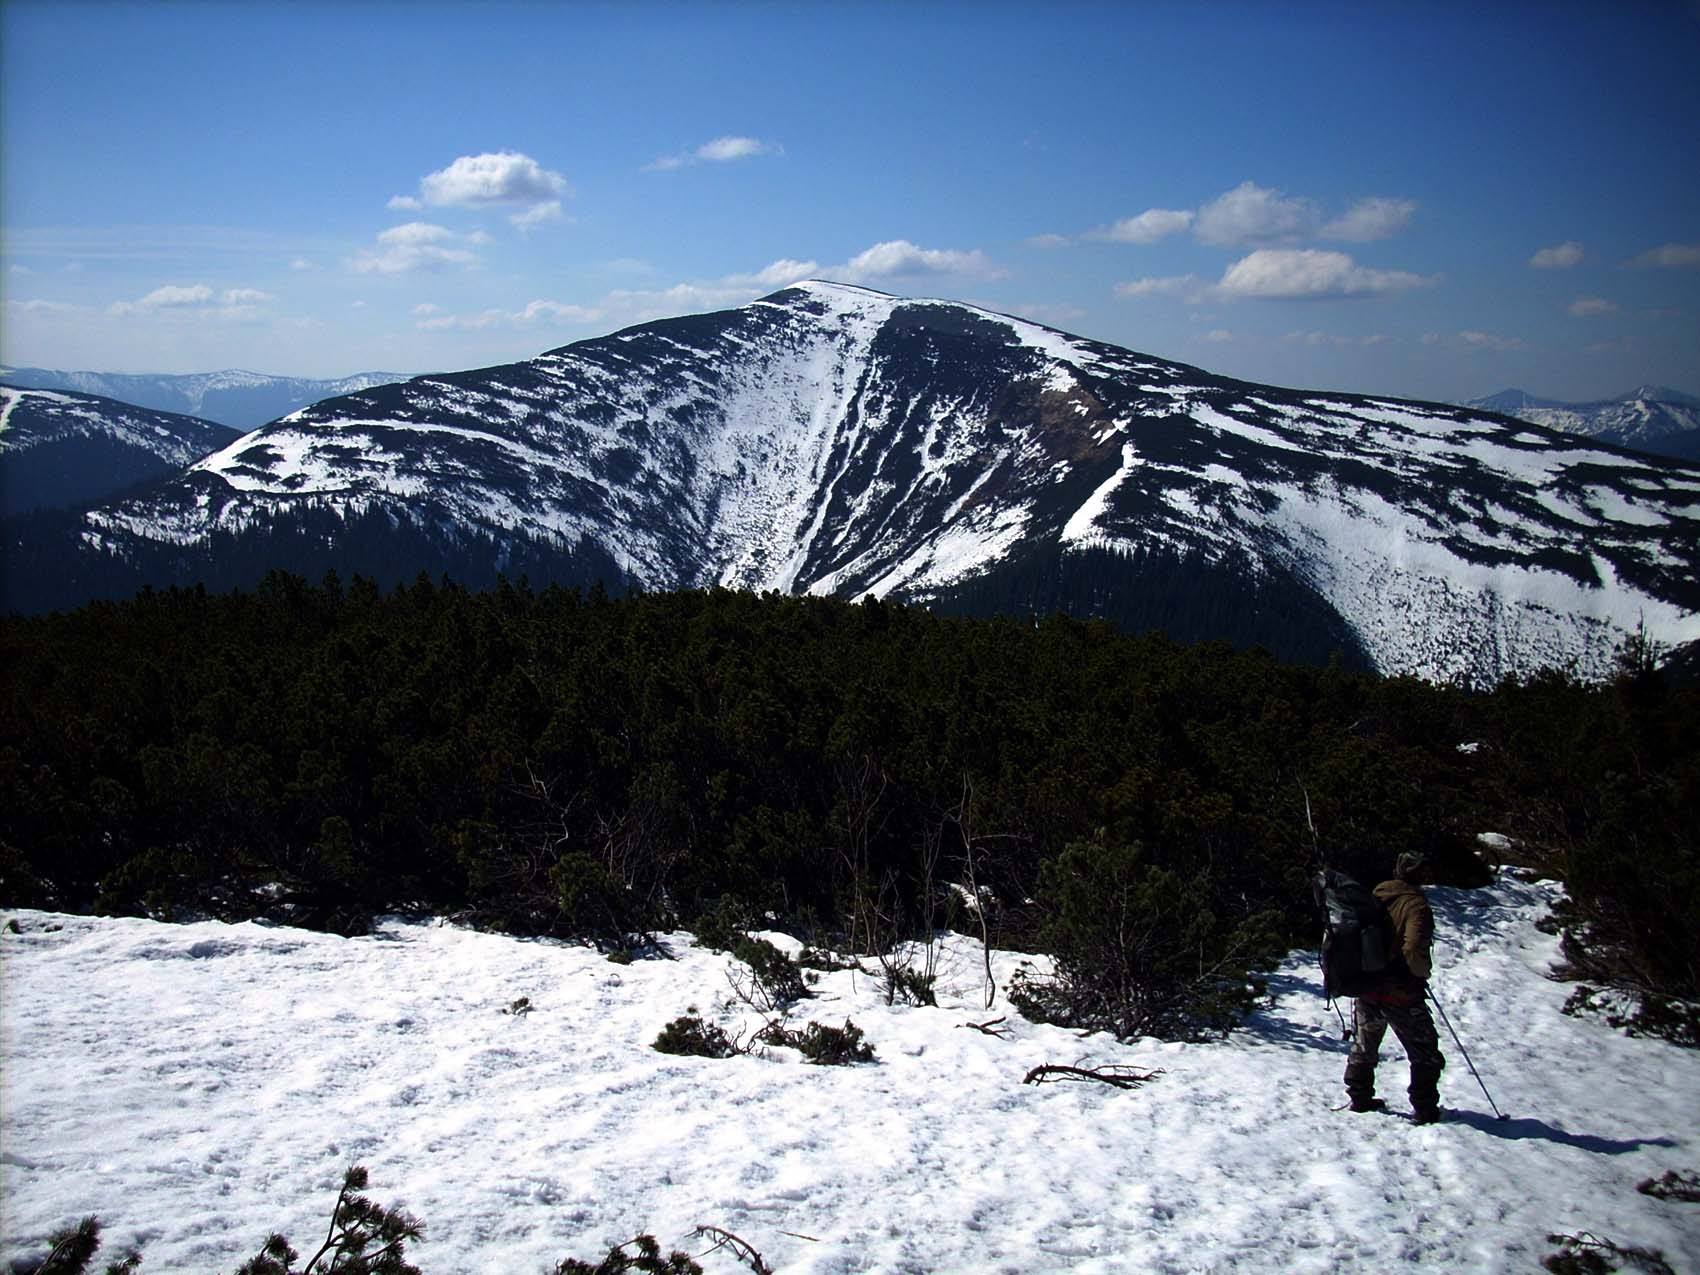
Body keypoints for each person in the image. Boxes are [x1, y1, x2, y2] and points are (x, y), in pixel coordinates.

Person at [1343, 851, 1447, 1124]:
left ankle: (1359, 1096)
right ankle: (1424, 1107)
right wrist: (1420, 973)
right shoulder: (1416, 906)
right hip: (1400, 991)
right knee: (1425, 1050)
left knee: (1365, 1043)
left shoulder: (1377, 894)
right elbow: (1413, 948)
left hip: (1368, 984)